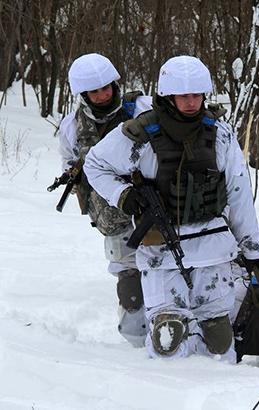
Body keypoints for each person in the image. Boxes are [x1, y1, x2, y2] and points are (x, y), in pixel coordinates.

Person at [84, 55, 259, 360]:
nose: (191, 102)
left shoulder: (219, 133)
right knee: (168, 339)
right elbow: (95, 164)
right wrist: (123, 195)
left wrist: (252, 249)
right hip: (161, 251)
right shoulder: (140, 134)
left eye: (197, 95)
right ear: (168, 95)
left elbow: (238, 192)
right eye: (184, 96)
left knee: (219, 339)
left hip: (213, 248)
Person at [57, 53, 152, 347]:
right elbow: (69, 163)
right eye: (95, 92)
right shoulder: (72, 127)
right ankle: (137, 339)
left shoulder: (141, 109)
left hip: (152, 207)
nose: (103, 95)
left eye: (107, 88)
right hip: (112, 216)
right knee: (129, 277)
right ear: (83, 95)